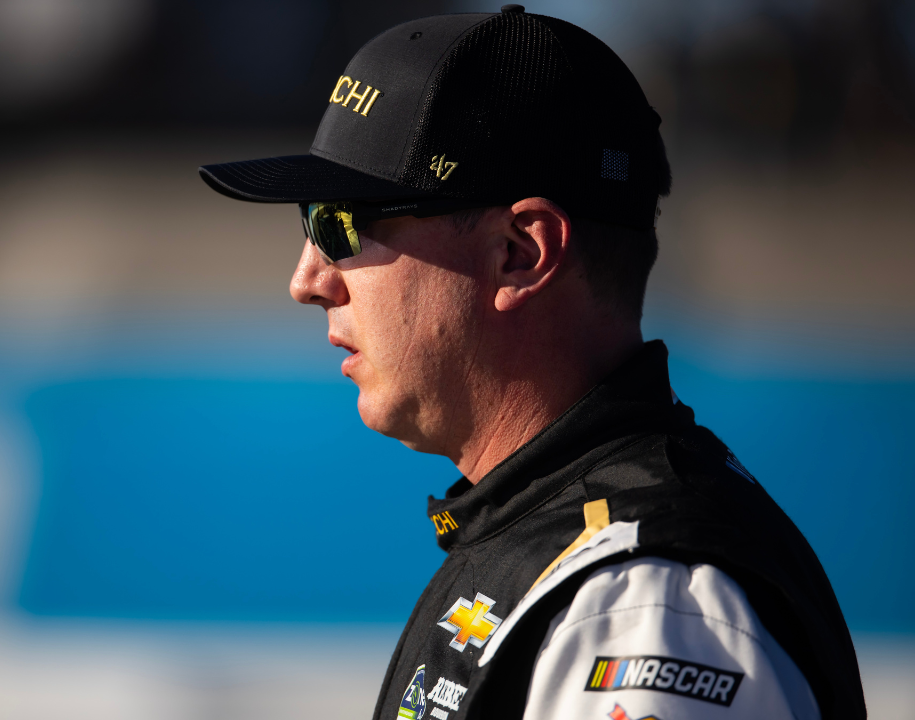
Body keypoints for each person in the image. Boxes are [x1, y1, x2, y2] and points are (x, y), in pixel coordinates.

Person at [199, 7, 864, 720]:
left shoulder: (644, 611)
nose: (306, 281)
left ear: (521, 253)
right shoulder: (542, 534)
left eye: (340, 223)